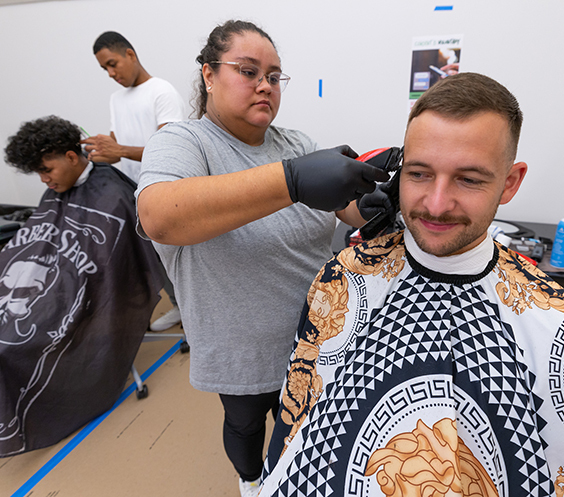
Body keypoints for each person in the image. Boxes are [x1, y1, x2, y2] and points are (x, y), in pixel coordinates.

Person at [260, 73, 564, 497]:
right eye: (420, 174)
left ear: (510, 182)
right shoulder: (343, 281)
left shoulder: (563, 328)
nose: (437, 204)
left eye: (469, 179)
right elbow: (295, 424)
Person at [135, 20, 389, 497]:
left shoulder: (296, 144)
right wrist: (289, 181)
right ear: (209, 74)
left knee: (308, 430)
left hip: (317, 336)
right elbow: (158, 218)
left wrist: (372, 203)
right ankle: (250, 481)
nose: (265, 86)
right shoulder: (184, 143)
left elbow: (344, 208)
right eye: (248, 71)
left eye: (274, 76)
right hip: (241, 346)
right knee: (248, 425)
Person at [0, 116, 164, 463]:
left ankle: (10, 428)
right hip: (45, 286)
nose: (44, 180)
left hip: (85, 294)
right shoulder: (55, 192)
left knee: (8, 346)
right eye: (38, 174)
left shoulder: (113, 194)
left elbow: (115, 267)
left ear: (72, 157)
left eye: (47, 169)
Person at [85, 30, 185, 331]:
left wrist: (121, 150)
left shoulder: (161, 92)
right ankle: (180, 308)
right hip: (133, 194)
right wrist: (102, 148)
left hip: (165, 192)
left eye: (113, 64)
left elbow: (171, 150)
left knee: (179, 259)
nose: (111, 73)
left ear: (131, 54)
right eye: (105, 69)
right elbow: (120, 145)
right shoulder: (117, 99)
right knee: (156, 258)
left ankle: (198, 318)